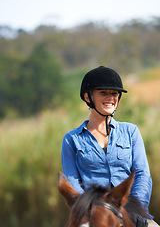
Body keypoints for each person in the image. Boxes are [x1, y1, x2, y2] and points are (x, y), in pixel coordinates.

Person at [61, 66, 159, 227]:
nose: (110, 98)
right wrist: (89, 211)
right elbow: (72, 181)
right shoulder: (71, 139)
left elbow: (142, 174)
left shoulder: (131, 131)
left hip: (130, 210)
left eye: (114, 93)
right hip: (92, 213)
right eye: (103, 93)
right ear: (87, 97)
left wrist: (137, 209)